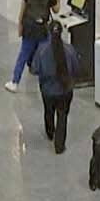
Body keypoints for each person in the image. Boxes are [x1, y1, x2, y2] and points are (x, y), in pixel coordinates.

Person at [6, 0, 56, 93]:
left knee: (23, 55)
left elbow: (22, 12)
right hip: (42, 30)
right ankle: (47, 83)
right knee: (46, 55)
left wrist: (20, 26)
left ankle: (14, 82)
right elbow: (56, 10)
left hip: (29, 28)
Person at [33, 23, 80, 154]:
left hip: (47, 90)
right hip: (65, 90)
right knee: (62, 116)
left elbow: (35, 69)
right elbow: (76, 69)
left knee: (48, 111)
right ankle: (59, 145)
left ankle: (50, 132)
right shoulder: (69, 50)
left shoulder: (42, 50)